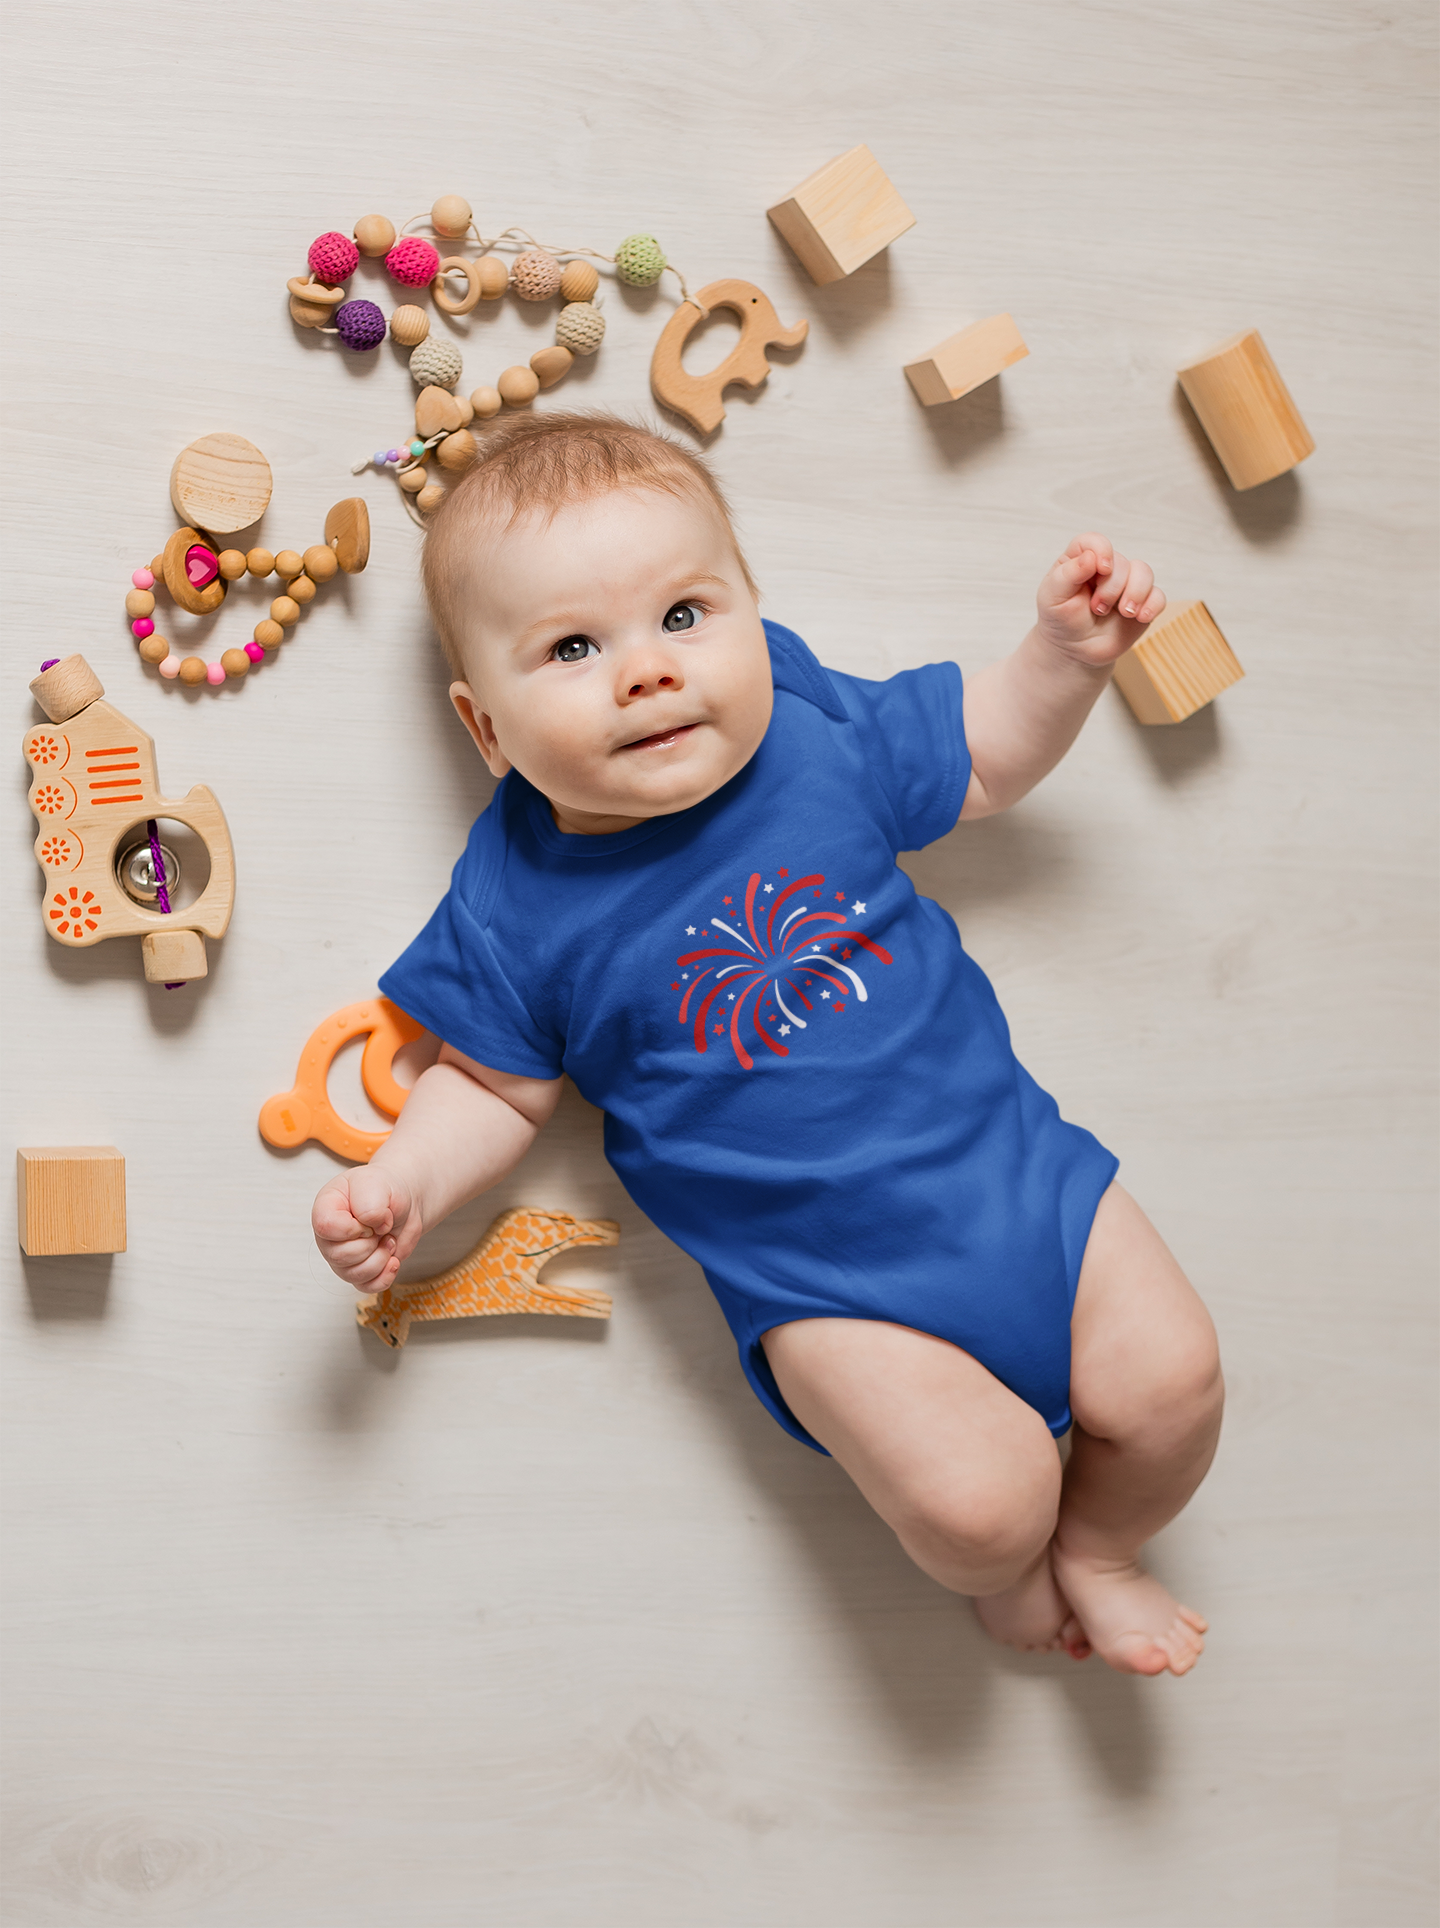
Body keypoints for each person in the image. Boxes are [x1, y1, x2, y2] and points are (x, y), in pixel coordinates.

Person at [313, 414, 1223, 1677]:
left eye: (686, 615)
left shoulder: (806, 726)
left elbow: (984, 761)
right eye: (574, 647)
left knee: (1176, 1383)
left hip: (1019, 1178)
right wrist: (404, 1181)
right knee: (976, 1505)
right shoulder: (514, 894)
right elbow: (494, 1087)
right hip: (830, 1290)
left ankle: (1106, 1547)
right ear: (486, 731)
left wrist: (1064, 657)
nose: (646, 670)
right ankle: (1016, 1561)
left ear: (753, 610)